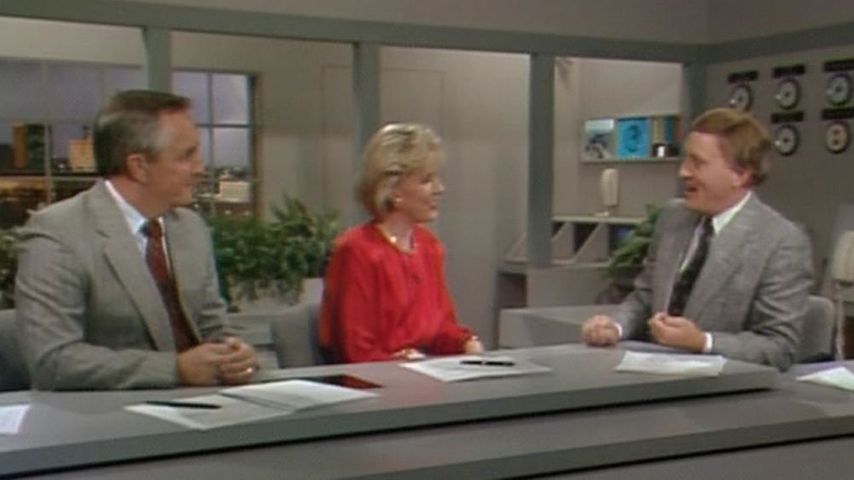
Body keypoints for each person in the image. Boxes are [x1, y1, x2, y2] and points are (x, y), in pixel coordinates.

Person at [15, 90, 257, 390]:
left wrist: (235, 353)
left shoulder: (190, 228)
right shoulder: (58, 234)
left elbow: (214, 326)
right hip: (107, 413)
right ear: (139, 166)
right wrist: (175, 369)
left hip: (207, 404)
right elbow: (53, 361)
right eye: (186, 155)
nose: (199, 168)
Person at [582, 108, 813, 371]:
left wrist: (703, 341)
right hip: (650, 372)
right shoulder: (673, 217)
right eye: (685, 160)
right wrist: (616, 326)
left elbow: (779, 348)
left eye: (697, 163)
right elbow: (645, 297)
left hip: (722, 386)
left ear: (740, 174)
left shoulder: (781, 242)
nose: (683, 172)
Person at [319, 123, 484, 363]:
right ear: (393, 190)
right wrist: (404, 364)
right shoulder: (357, 250)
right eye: (426, 180)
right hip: (376, 381)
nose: (440, 189)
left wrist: (466, 343)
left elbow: (441, 327)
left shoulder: (428, 246)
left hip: (425, 374)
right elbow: (358, 352)